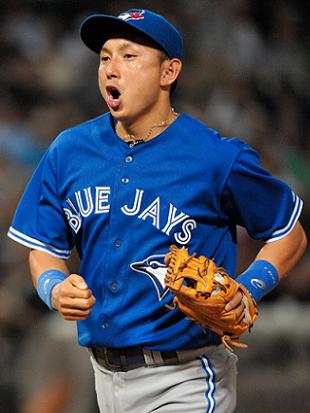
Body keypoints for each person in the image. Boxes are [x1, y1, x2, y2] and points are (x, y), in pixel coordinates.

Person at [8, 8, 307, 413]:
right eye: (105, 57)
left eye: (129, 56)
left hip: (185, 377)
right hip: (103, 376)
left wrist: (249, 287)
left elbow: (290, 231)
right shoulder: (69, 150)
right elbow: (42, 247)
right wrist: (53, 288)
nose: (112, 69)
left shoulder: (213, 157)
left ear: (169, 72)